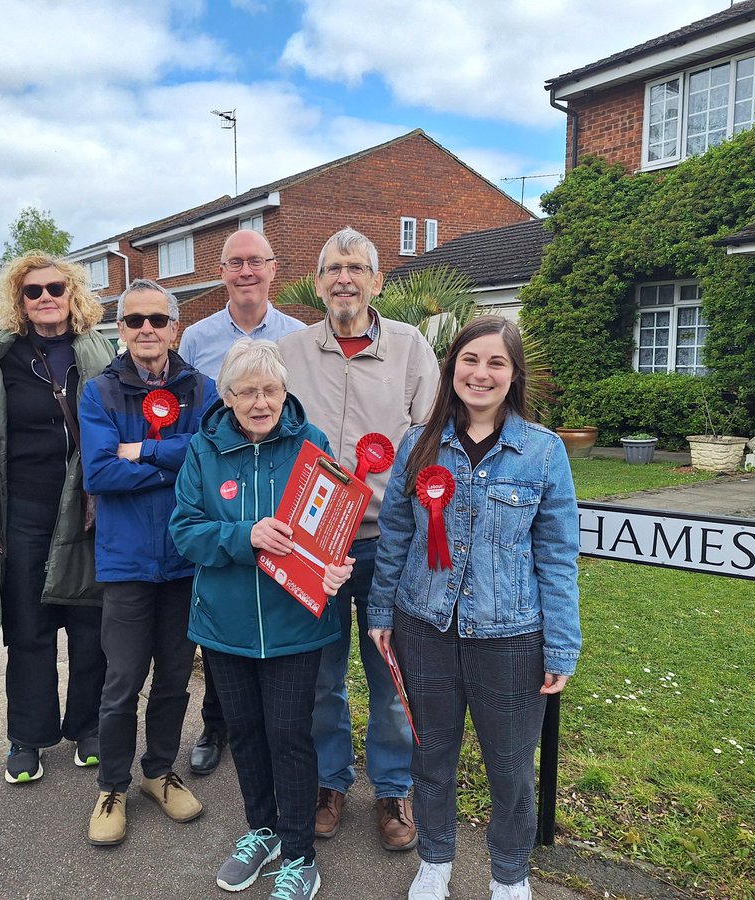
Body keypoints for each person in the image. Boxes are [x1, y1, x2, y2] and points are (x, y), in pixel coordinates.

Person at [366, 315, 581, 900]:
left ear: (513, 376)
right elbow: (395, 538)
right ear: (451, 367)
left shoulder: (542, 453)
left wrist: (562, 643)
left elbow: (558, 555)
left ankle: (509, 874)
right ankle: (435, 860)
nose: (480, 373)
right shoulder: (418, 444)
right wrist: (382, 613)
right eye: (470, 359)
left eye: (496, 363)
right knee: (432, 755)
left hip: (510, 638)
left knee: (510, 768)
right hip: (425, 627)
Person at [170, 339, 353, 900]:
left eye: (270, 390)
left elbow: (332, 532)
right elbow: (183, 532)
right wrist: (242, 535)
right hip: (225, 625)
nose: (259, 402)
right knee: (245, 731)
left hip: (295, 621)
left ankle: (300, 854)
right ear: (225, 397)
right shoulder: (203, 450)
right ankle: (263, 830)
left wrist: (335, 569)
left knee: (289, 734)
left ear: (284, 391)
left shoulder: (310, 444)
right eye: (246, 391)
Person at [279, 227, 439, 851]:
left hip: (384, 544)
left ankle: (394, 790)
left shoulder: (409, 349)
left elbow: (431, 439)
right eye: (332, 269)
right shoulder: (289, 351)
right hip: (313, 546)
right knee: (320, 677)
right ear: (317, 283)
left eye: (356, 268)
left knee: (389, 672)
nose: (343, 278)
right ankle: (330, 782)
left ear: (377, 281)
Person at [0, 252, 114, 784]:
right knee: (29, 628)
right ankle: (27, 737)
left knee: (91, 624)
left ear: (72, 294)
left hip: (88, 510)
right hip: (23, 511)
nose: (45, 297)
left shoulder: (99, 352)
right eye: (33, 291)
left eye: (55, 287)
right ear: (19, 302)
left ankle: (88, 727)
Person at [79, 279, 218, 845]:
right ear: (120, 329)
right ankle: (113, 785)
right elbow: (100, 473)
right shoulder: (100, 393)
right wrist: (172, 462)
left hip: (186, 560)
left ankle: (158, 772)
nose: (146, 331)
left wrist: (142, 450)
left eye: (157, 320)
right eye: (135, 321)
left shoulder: (203, 388)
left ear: (174, 327)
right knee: (122, 682)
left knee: (173, 681)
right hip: (128, 562)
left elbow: (209, 456)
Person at [177, 228, 307, 776]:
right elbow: (190, 421)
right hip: (219, 489)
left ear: (274, 268)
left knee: (286, 653)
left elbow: (302, 418)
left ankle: (301, 762)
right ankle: (217, 727)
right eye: (235, 262)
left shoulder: (299, 335)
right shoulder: (196, 337)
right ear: (223, 271)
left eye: (257, 261)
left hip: (285, 491)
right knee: (228, 621)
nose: (246, 270)